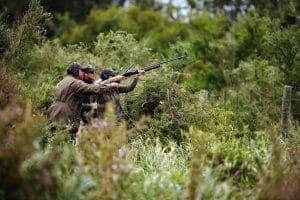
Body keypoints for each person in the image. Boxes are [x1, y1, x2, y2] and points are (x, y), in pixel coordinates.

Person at [47, 62, 122, 138]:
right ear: (76, 71)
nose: (83, 73)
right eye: (81, 71)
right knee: (65, 139)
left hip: (53, 112)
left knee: (54, 139)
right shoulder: (75, 82)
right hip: (64, 114)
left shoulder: (62, 82)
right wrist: (110, 86)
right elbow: (92, 88)